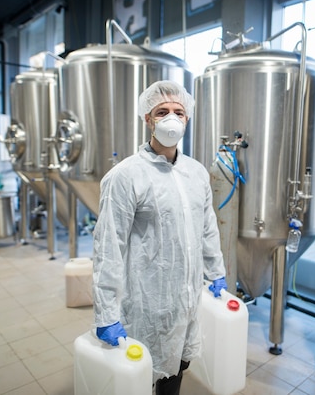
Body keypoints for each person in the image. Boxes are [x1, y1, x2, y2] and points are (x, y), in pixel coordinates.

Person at [92, 80, 228, 395]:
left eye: (178, 112)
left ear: (187, 119)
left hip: (187, 298)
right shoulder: (126, 176)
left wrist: (216, 272)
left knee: (178, 368)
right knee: (140, 377)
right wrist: (106, 312)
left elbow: (207, 228)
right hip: (145, 303)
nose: (171, 118)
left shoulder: (196, 173)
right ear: (148, 120)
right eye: (162, 111)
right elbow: (108, 248)